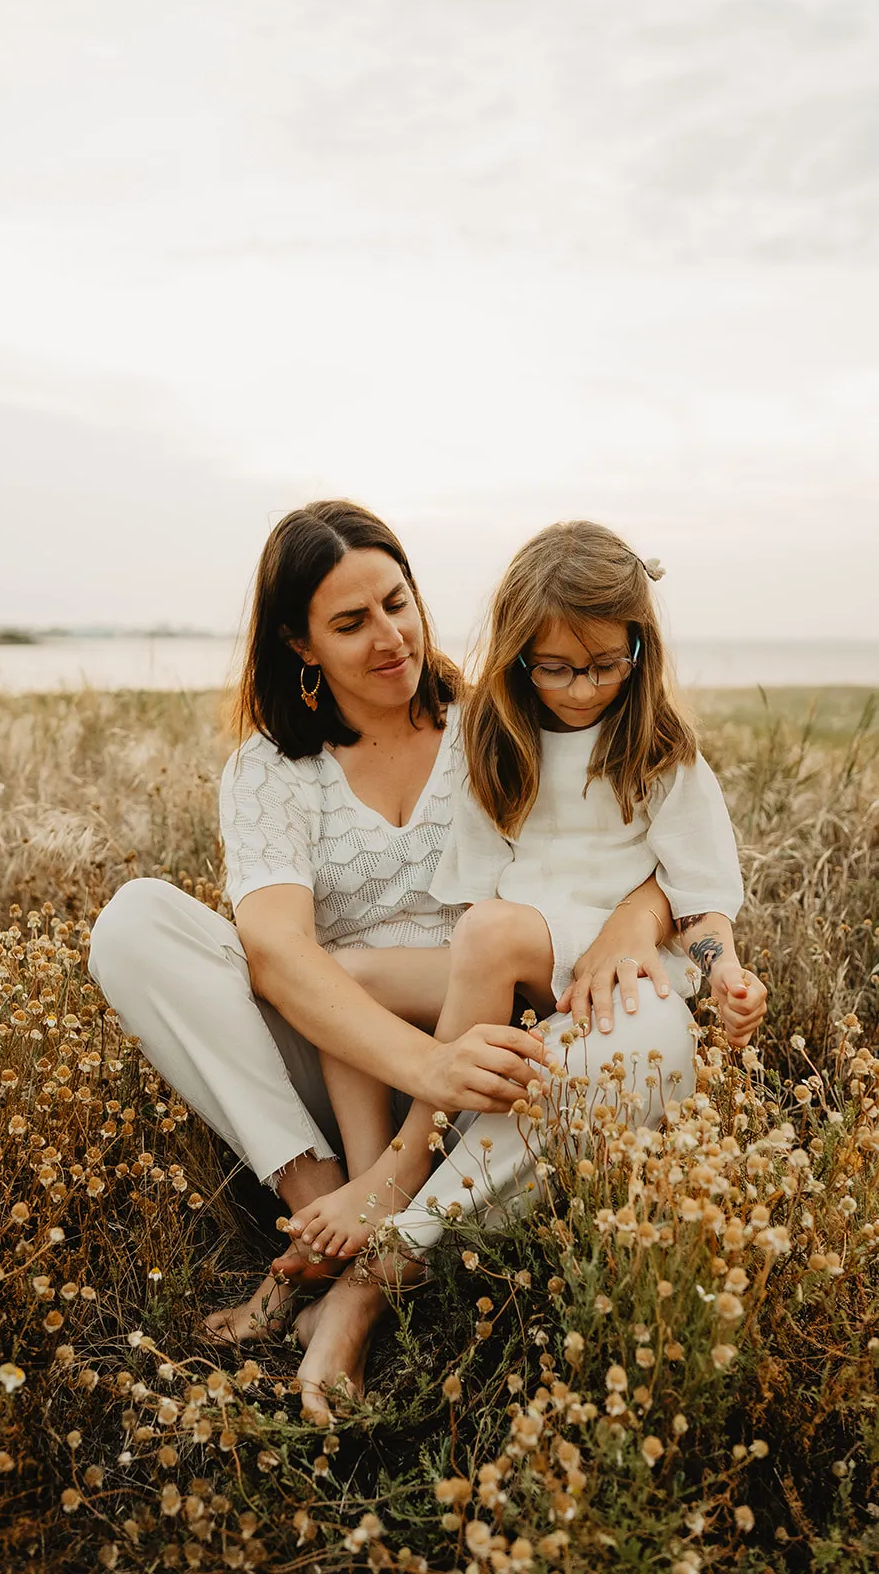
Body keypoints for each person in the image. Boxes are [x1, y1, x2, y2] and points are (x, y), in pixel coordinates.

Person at [87, 501, 688, 1409]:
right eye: (350, 622)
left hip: (498, 1079)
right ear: (299, 644)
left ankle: (374, 1271)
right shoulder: (270, 769)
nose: (389, 637)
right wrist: (428, 1066)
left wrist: (632, 925)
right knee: (136, 923)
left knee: (654, 1034)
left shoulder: (496, 722)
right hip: (346, 1074)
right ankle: (321, 1203)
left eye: (397, 603)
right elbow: (280, 957)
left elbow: (654, 847)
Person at [287, 519, 767, 1425]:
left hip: (620, 979)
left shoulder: (661, 752)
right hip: (513, 958)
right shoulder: (494, 745)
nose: (581, 688)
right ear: (516, 659)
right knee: (342, 974)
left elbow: (703, 905)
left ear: (640, 647)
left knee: (495, 933)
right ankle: (380, 1161)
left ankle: (396, 1205)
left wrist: (728, 975)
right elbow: (472, 908)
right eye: (554, 666)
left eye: (604, 663)